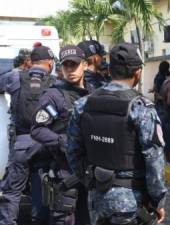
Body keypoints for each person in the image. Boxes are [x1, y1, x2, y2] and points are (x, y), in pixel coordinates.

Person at [66, 42, 167, 225]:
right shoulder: (141, 108)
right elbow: (154, 159)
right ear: (138, 73)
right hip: (130, 202)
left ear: (110, 70)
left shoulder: (83, 104)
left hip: (96, 198)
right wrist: (158, 200)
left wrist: (90, 180)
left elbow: (72, 151)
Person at [31, 45, 90, 225]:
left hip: (90, 173)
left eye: (75, 64)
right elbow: (37, 129)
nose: (70, 70)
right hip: (65, 173)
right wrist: (61, 141)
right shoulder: (54, 96)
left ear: (85, 65)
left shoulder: (94, 93)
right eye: (66, 65)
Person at [0, 46, 56, 225]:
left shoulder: (15, 77)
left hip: (21, 143)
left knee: (12, 191)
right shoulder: (54, 81)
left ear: (31, 62)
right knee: (41, 187)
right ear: (49, 63)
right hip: (45, 142)